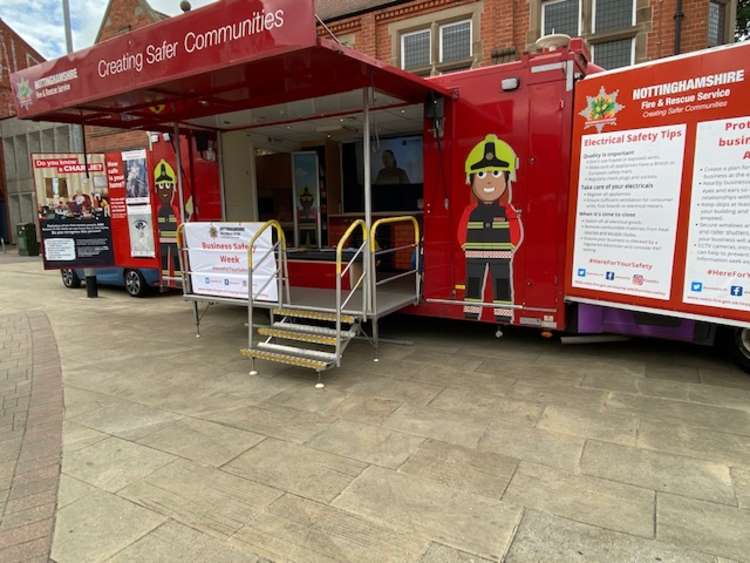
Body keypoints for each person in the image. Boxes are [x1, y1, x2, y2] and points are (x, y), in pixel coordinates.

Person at [457, 134, 523, 324]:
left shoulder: (507, 209)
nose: (487, 181)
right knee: (473, 285)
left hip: (501, 256)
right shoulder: (469, 211)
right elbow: (462, 231)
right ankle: (471, 313)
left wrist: (509, 248)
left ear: (506, 178)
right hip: (474, 256)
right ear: (472, 180)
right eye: (481, 174)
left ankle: (503, 315)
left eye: (495, 174)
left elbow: (515, 231)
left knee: (502, 285)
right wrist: (465, 247)